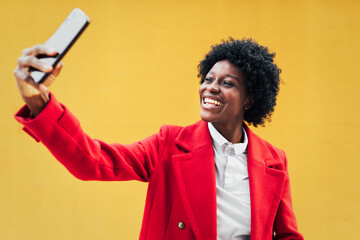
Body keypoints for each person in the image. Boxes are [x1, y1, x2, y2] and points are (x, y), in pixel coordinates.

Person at [14, 38, 304, 240]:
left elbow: (287, 235)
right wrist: (40, 102)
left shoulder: (273, 159)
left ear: (250, 100)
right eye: (208, 79)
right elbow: (94, 162)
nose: (211, 88)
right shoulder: (170, 144)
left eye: (227, 83)